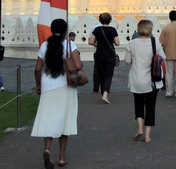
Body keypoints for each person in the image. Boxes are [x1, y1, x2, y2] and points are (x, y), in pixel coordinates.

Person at [31, 19, 82, 169]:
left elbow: (37, 69)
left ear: (52, 30)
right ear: (66, 31)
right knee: (65, 120)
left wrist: (38, 85)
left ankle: (47, 149)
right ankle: (61, 157)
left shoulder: (44, 45)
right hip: (66, 85)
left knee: (49, 118)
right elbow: (78, 65)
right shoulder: (69, 44)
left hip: (48, 85)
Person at [125, 20, 166, 143]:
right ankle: (147, 136)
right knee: (150, 107)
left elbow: (127, 61)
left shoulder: (131, 43)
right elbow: (163, 58)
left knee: (138, 104)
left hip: (136, 79)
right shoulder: (155, 43)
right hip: (152, 81)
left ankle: (139, 129)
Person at [88, 12, 120, 104]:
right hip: (110, 54)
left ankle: (103, 92)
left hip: (99, 54)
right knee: (109, 74)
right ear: (110, 20)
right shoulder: (113, 30)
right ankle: (105, 93)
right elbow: (117, 43)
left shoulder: (97, 29)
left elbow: (90, 42)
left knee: (101, 74)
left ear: (100, 20)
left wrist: (97, 44)